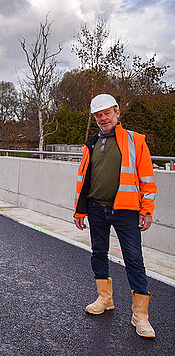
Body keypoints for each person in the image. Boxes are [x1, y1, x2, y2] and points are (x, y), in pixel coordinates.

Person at [73, 94, 157, 338]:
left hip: (126, 211)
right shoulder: (91, 145)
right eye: (98, 115)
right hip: (97, 209)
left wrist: (147, 210)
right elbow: (84, 182)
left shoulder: (135, 140)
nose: (102, 118)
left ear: (117, 113)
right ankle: (104, 299)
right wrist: (80, 209)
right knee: (99, 252)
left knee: (134, 259)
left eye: (106, 113)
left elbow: (148, 180)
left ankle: (140, 315)